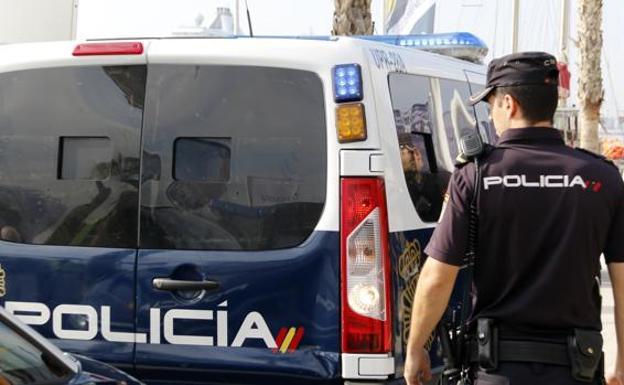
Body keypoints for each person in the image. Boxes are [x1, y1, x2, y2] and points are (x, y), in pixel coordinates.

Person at [403, 52, 624, 385]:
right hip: (577, 369)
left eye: (491, 104)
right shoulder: (601, 177)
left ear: (509, 103)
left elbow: (438, 277)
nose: (491, 116)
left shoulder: (474, 177)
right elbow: (623, 281)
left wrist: (415, 347)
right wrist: (622, 363)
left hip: (497, 371)